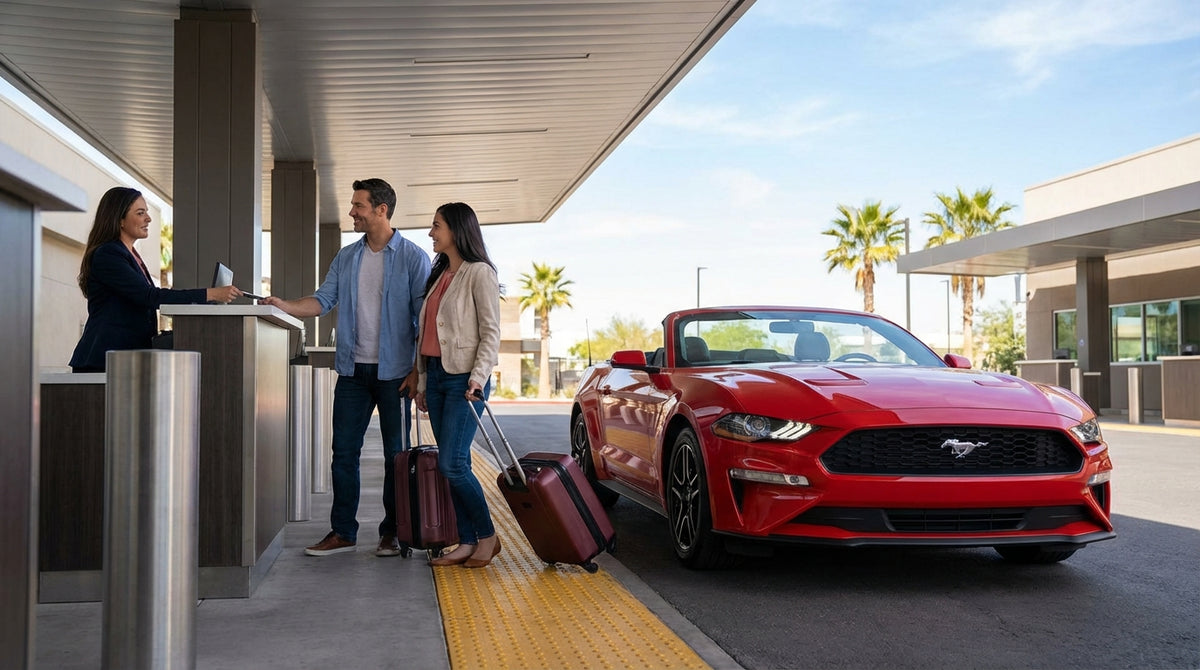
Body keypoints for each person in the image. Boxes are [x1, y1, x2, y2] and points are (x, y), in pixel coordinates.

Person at [262, 178, 430, 557]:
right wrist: (284, 305)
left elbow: (424, 319)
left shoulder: (413, 258)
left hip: (396, 374)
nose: (352, 212)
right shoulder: (347, 257)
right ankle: (343, 532)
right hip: (353, 372)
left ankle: (392, 532)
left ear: (381, 210)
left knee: (396, 455)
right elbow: (323, 300)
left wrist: (420, 372)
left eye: (359, 205)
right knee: (343, 453)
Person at [70, 186, 242, 372]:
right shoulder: (109, 254)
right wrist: (210, 294)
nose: (148, 219)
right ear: (119, 219)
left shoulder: (130, 254)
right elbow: (149, 296)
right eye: (140, 213)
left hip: (128, 359)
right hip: (104, 360)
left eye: (147, 213)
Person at [415, 202, 502, 568]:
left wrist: (478, 378)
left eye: (436, 226)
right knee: (457, 462)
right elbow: (424, 335)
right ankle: (467, 541)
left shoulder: (479, 273)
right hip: (435, 377)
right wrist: (422, 381)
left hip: (464, 380)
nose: (431, 232)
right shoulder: (439, 276)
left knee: (452, 465)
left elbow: (491, 333)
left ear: (456, 230)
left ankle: (487, 536)